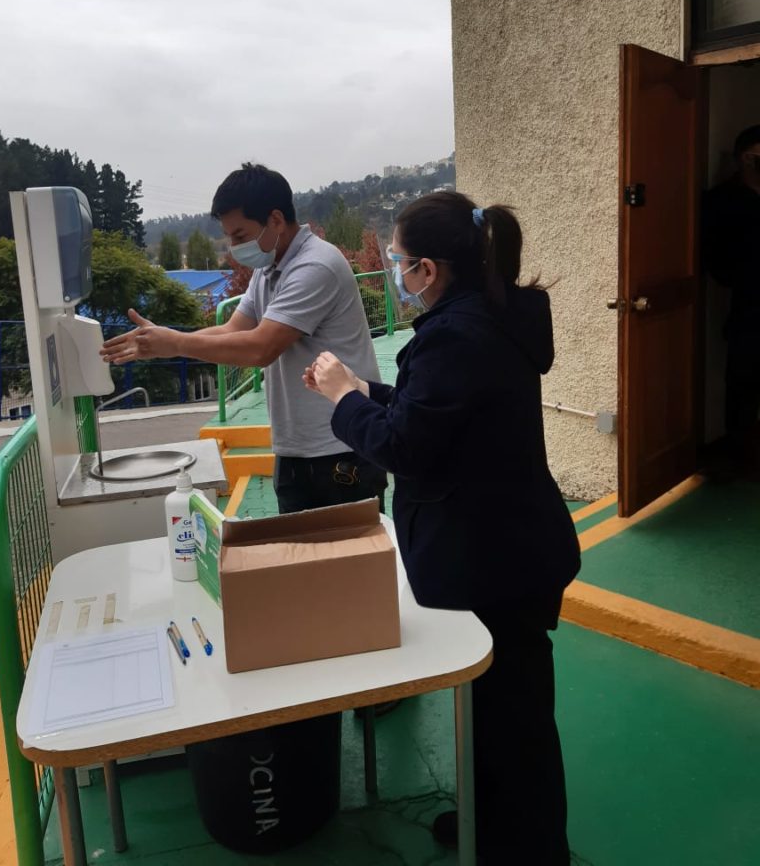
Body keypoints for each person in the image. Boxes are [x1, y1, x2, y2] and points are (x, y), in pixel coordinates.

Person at [304, 191, 581, 865]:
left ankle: (531, 848)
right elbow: (437, 413)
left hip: (494, 556)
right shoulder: (493, 316)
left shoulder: (455, 336)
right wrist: (366, 391)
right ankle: (492, 820)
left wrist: (341, 397)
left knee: (513, 715)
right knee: (495, 704)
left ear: (428, 269)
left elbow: (406, 447)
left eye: (398, 259)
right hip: (510, 543)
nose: (395, 271)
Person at [101, 162, 387, 512]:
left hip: (340, 452)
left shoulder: (315, 265)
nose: (234, 247)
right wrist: (163, 341)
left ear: (276, 220)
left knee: (351, 549)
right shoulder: (268, 268)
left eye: (240, 235)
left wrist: (174, 343)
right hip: (296, 450)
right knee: (294, 547)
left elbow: (260, 347)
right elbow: (232, 330)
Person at [703, 125, 760, 473]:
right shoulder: (722, 200)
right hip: (749, 307)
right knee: (743, 383)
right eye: (756, 157)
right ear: (743, 158)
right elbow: (716, 261)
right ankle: (741, 457)